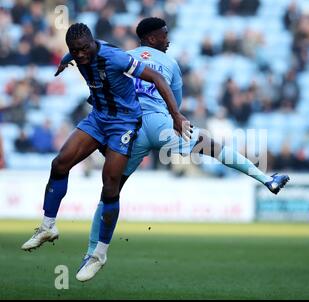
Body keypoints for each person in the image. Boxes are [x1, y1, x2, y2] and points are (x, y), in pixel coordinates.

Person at [55, 17, 290, 282]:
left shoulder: (122, 55)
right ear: (153, 38)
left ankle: (94, 254)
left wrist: (67, 58)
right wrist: (175, 118)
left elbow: (94, 62)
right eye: (164, 35)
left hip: (128, 128)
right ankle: (266, 179)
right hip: (161, 126)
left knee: (111, 192)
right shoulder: (171, 64)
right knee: (211, 146)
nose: (168, 39)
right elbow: (174, 101)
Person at [20, 23, 190, 278]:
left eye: (84, 50)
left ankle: (99, 254)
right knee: (60, 164)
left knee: (110, 184)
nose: (81, 56)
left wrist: (175, 115)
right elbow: (75, 52)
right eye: (75, 51)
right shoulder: (79, 52)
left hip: (124, 121)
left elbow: (156, 78)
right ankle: (48, 226)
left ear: (92, 44)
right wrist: (67, 60)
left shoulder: (114, 57)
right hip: (98, 117)